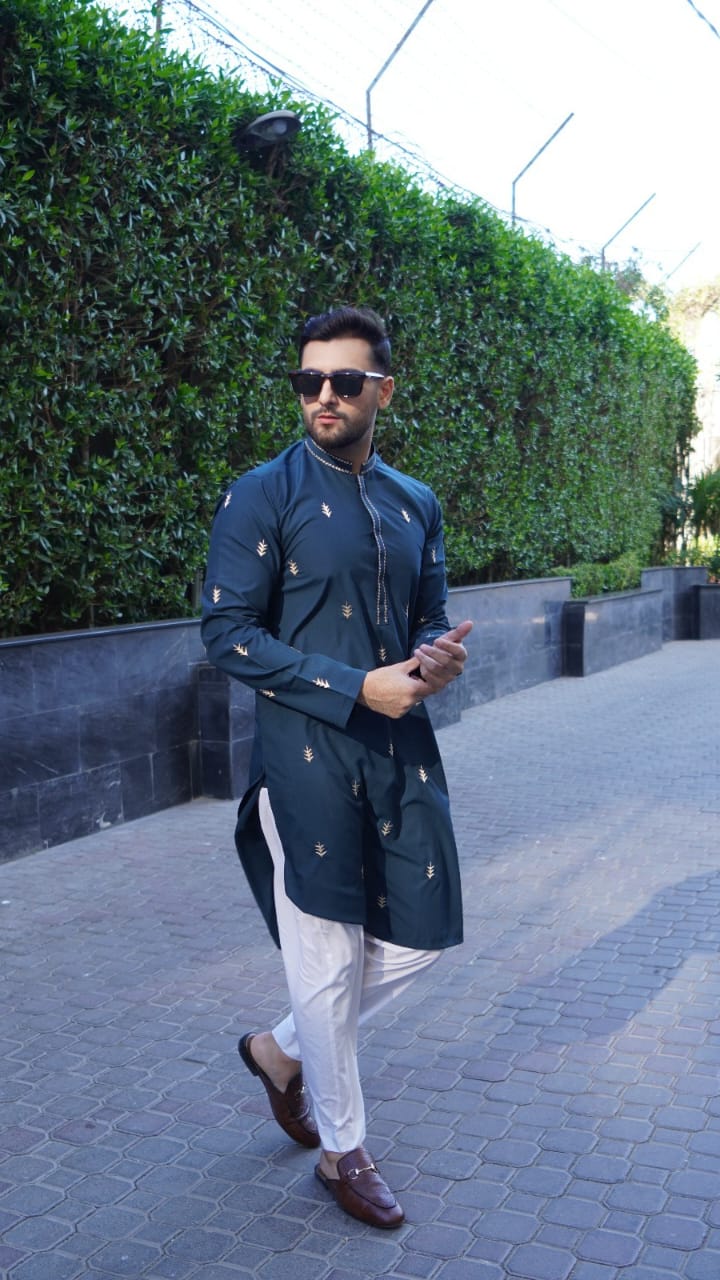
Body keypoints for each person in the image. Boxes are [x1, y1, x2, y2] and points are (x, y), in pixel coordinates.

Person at [201, 305, 472, 1229]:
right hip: (304, 756)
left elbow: (428, 611)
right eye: (308, 380)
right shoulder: (261, 495)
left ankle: (280, 1051)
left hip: (399, 750)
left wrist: (435, 658)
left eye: (345, 381)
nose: (323, 395)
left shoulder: (415, 501)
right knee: (324, 960)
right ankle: (341, 1149)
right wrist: (356, 685)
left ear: (381, 392)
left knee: (423, 934)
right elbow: (227, 634)